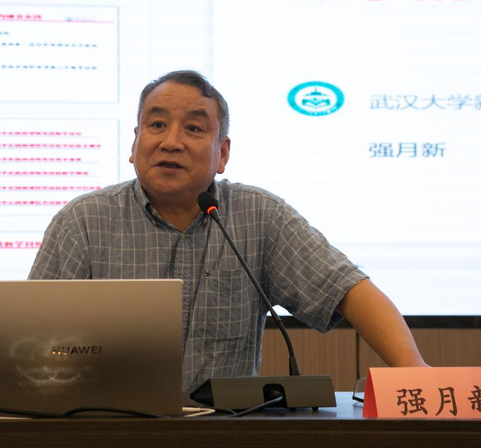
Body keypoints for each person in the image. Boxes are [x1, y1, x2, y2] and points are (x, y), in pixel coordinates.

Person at [29, 70, 427, 397]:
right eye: (157, 124)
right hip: (107, 430)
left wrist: (414, 370)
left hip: (225, 431)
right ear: (135, 143)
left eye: (194, 128)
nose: (171, 142)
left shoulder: (259, 216)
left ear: (222, 153)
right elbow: (30, 340)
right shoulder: (83, 221)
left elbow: (349, 290)